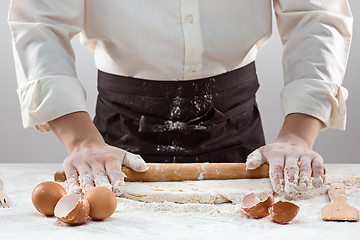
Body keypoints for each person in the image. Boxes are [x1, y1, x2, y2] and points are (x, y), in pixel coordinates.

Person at [8, 1, 353, 197]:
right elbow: (39, 21)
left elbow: (317, 15)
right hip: (112, 143)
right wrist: (81, 141)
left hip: (239, 131)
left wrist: (297, 134)